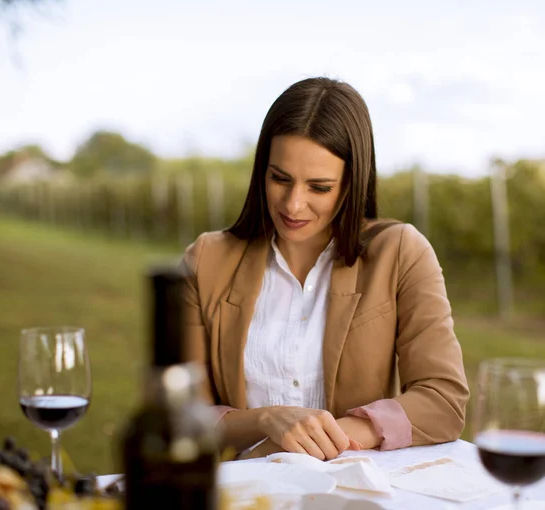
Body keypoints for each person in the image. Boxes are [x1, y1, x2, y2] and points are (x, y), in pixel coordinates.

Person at [180, 76, 470, 460]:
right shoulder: (205, 260)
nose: (293, 205)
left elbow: (444, 398)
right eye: (279, 178)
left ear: (352, 182)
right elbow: (181, 416)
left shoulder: (400, 253)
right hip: (243, 492)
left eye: (319, 187)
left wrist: (320, 440)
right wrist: (269, 420)